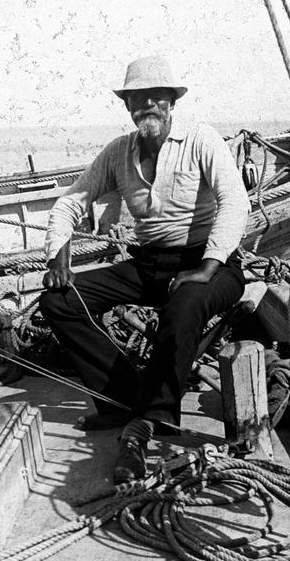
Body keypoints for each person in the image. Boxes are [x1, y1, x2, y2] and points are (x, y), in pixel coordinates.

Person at [37, 55, 249, 484]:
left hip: (211, 264)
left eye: (156, 97)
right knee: (58, 300)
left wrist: (207, 267)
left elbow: (235, 202)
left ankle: (148, 421)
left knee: (184, 307)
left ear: (171, 102)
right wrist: (59, 252)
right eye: (137, 99)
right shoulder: (119, 152)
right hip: (151, 265)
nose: (146, 105)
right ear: (128, 106)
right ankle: (124, 400)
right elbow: (72, 201)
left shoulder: (200, 140)